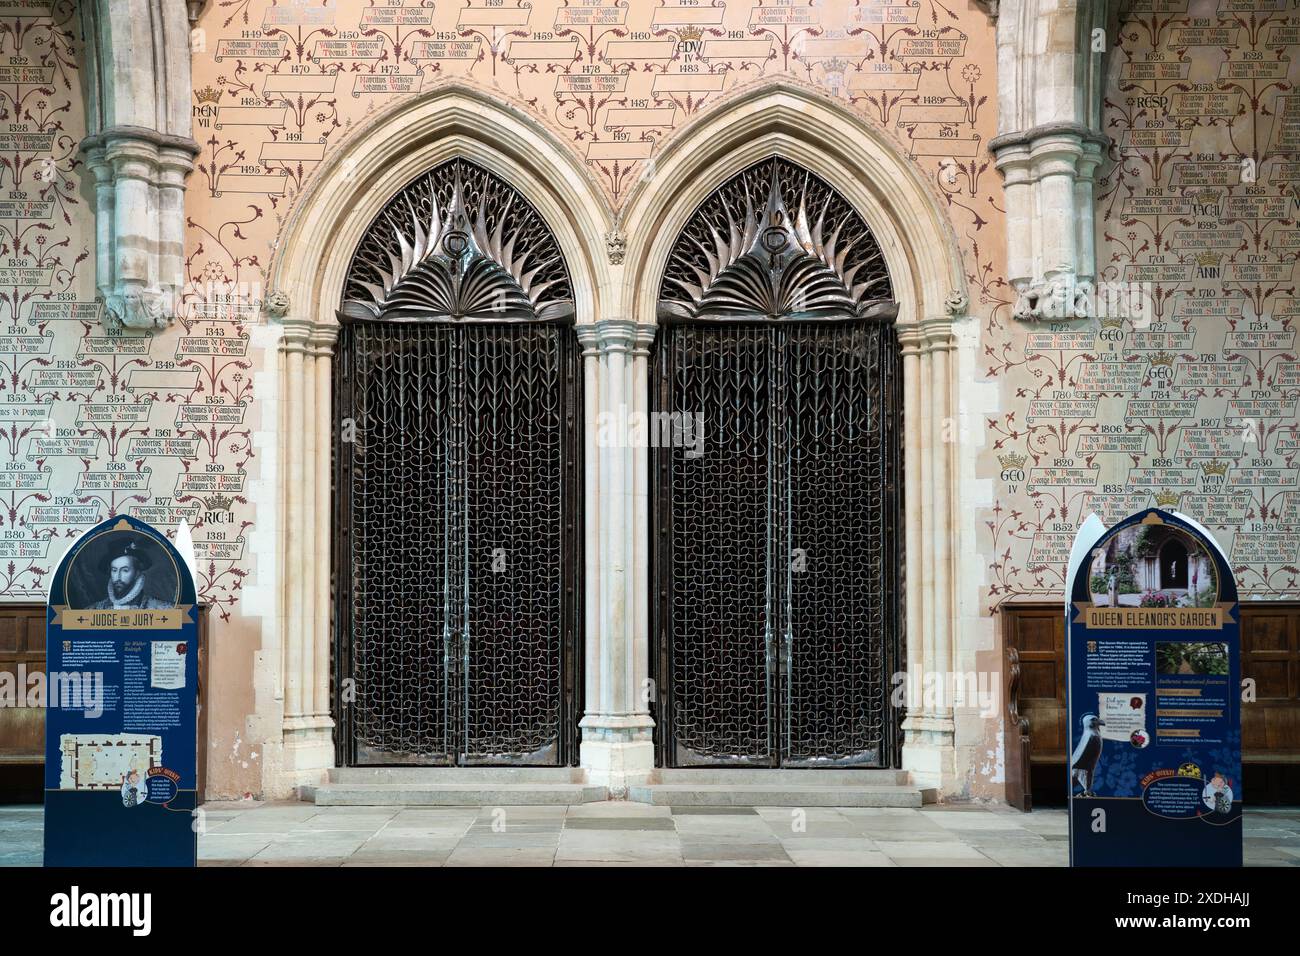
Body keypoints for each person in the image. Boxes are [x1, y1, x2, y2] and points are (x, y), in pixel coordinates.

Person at [89, 539, 171, 610]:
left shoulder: (164, 609)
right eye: (114, 570)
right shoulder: (93, 610)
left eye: (125, 570)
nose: (118, 577)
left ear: (137, 573)